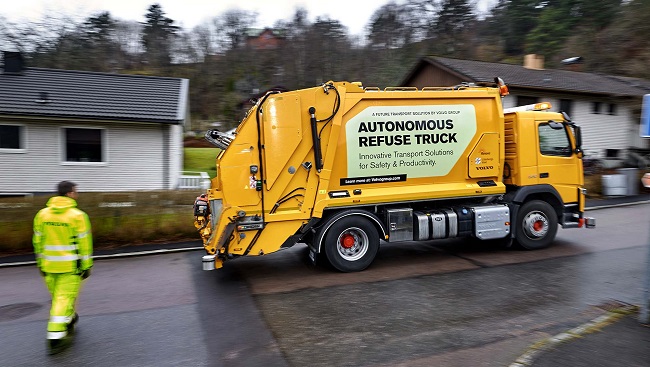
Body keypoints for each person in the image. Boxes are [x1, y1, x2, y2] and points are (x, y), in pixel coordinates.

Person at [33, 181, 93, 354]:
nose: (77, 194)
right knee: (63, 299)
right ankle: (55, 335)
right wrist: (86, 265)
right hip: (70, 267)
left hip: (48, 266)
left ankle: (69, 320)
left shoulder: (42, 215)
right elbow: (85, 245)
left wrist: (40, 263)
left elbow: (37, 242)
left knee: (59, 298)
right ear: (69, 194)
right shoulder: (78, 216)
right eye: (76, 192)